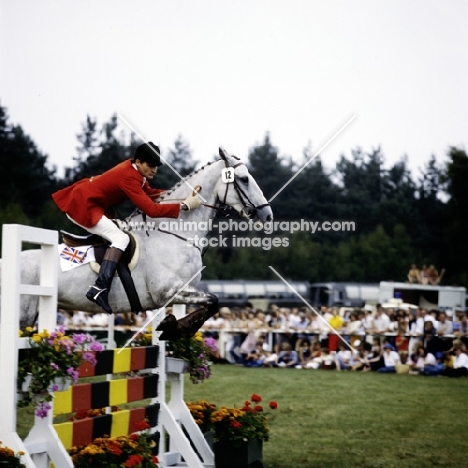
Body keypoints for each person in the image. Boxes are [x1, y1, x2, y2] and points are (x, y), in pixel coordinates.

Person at [52, 142, 202, 315]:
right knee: (121, 239)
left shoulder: (137, 172)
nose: (154, 170)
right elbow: (151, 210)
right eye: (150, 165)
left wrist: (181, 194)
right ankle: (99, 288)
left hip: (95, 203)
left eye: (156, 166)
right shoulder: (129, 177)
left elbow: (151, 193)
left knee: (120, 235)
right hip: (83, 205)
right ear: (138, 162)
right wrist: (184, 206)